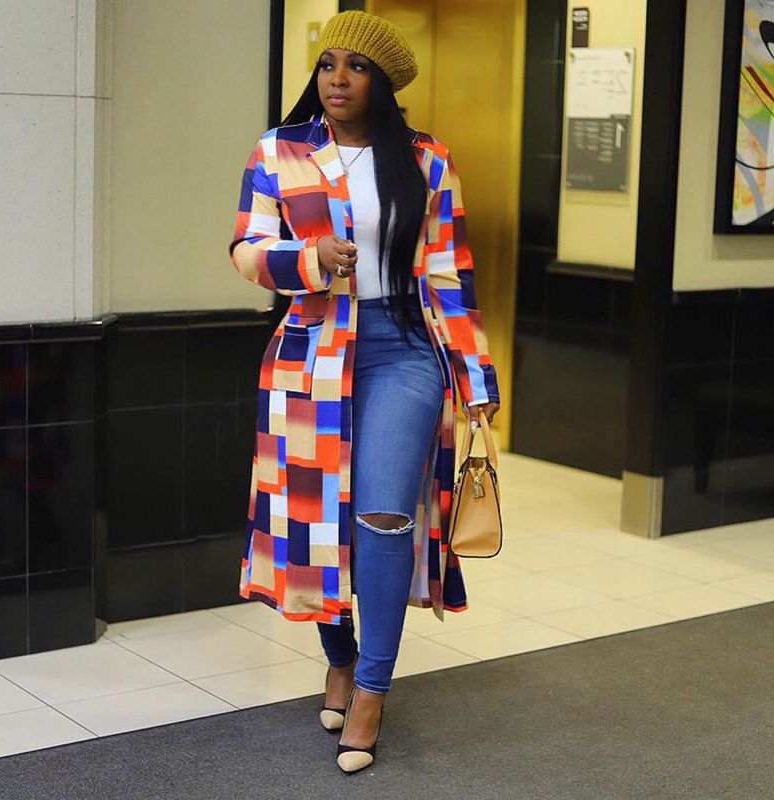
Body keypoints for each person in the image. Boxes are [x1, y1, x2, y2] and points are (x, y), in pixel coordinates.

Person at [229, 9, 500, 774]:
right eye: (328, 64)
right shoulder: (278, 152)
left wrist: (476, 377)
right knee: (321, 522)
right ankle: (340, 661)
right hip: (312, 350)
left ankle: (373, 690)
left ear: (383, 81)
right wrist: (309, 258)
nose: (338, 79)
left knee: (383, 516)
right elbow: (246, 250)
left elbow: (448, 274)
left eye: (356, 67)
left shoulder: (425, 159)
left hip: (404, 350)